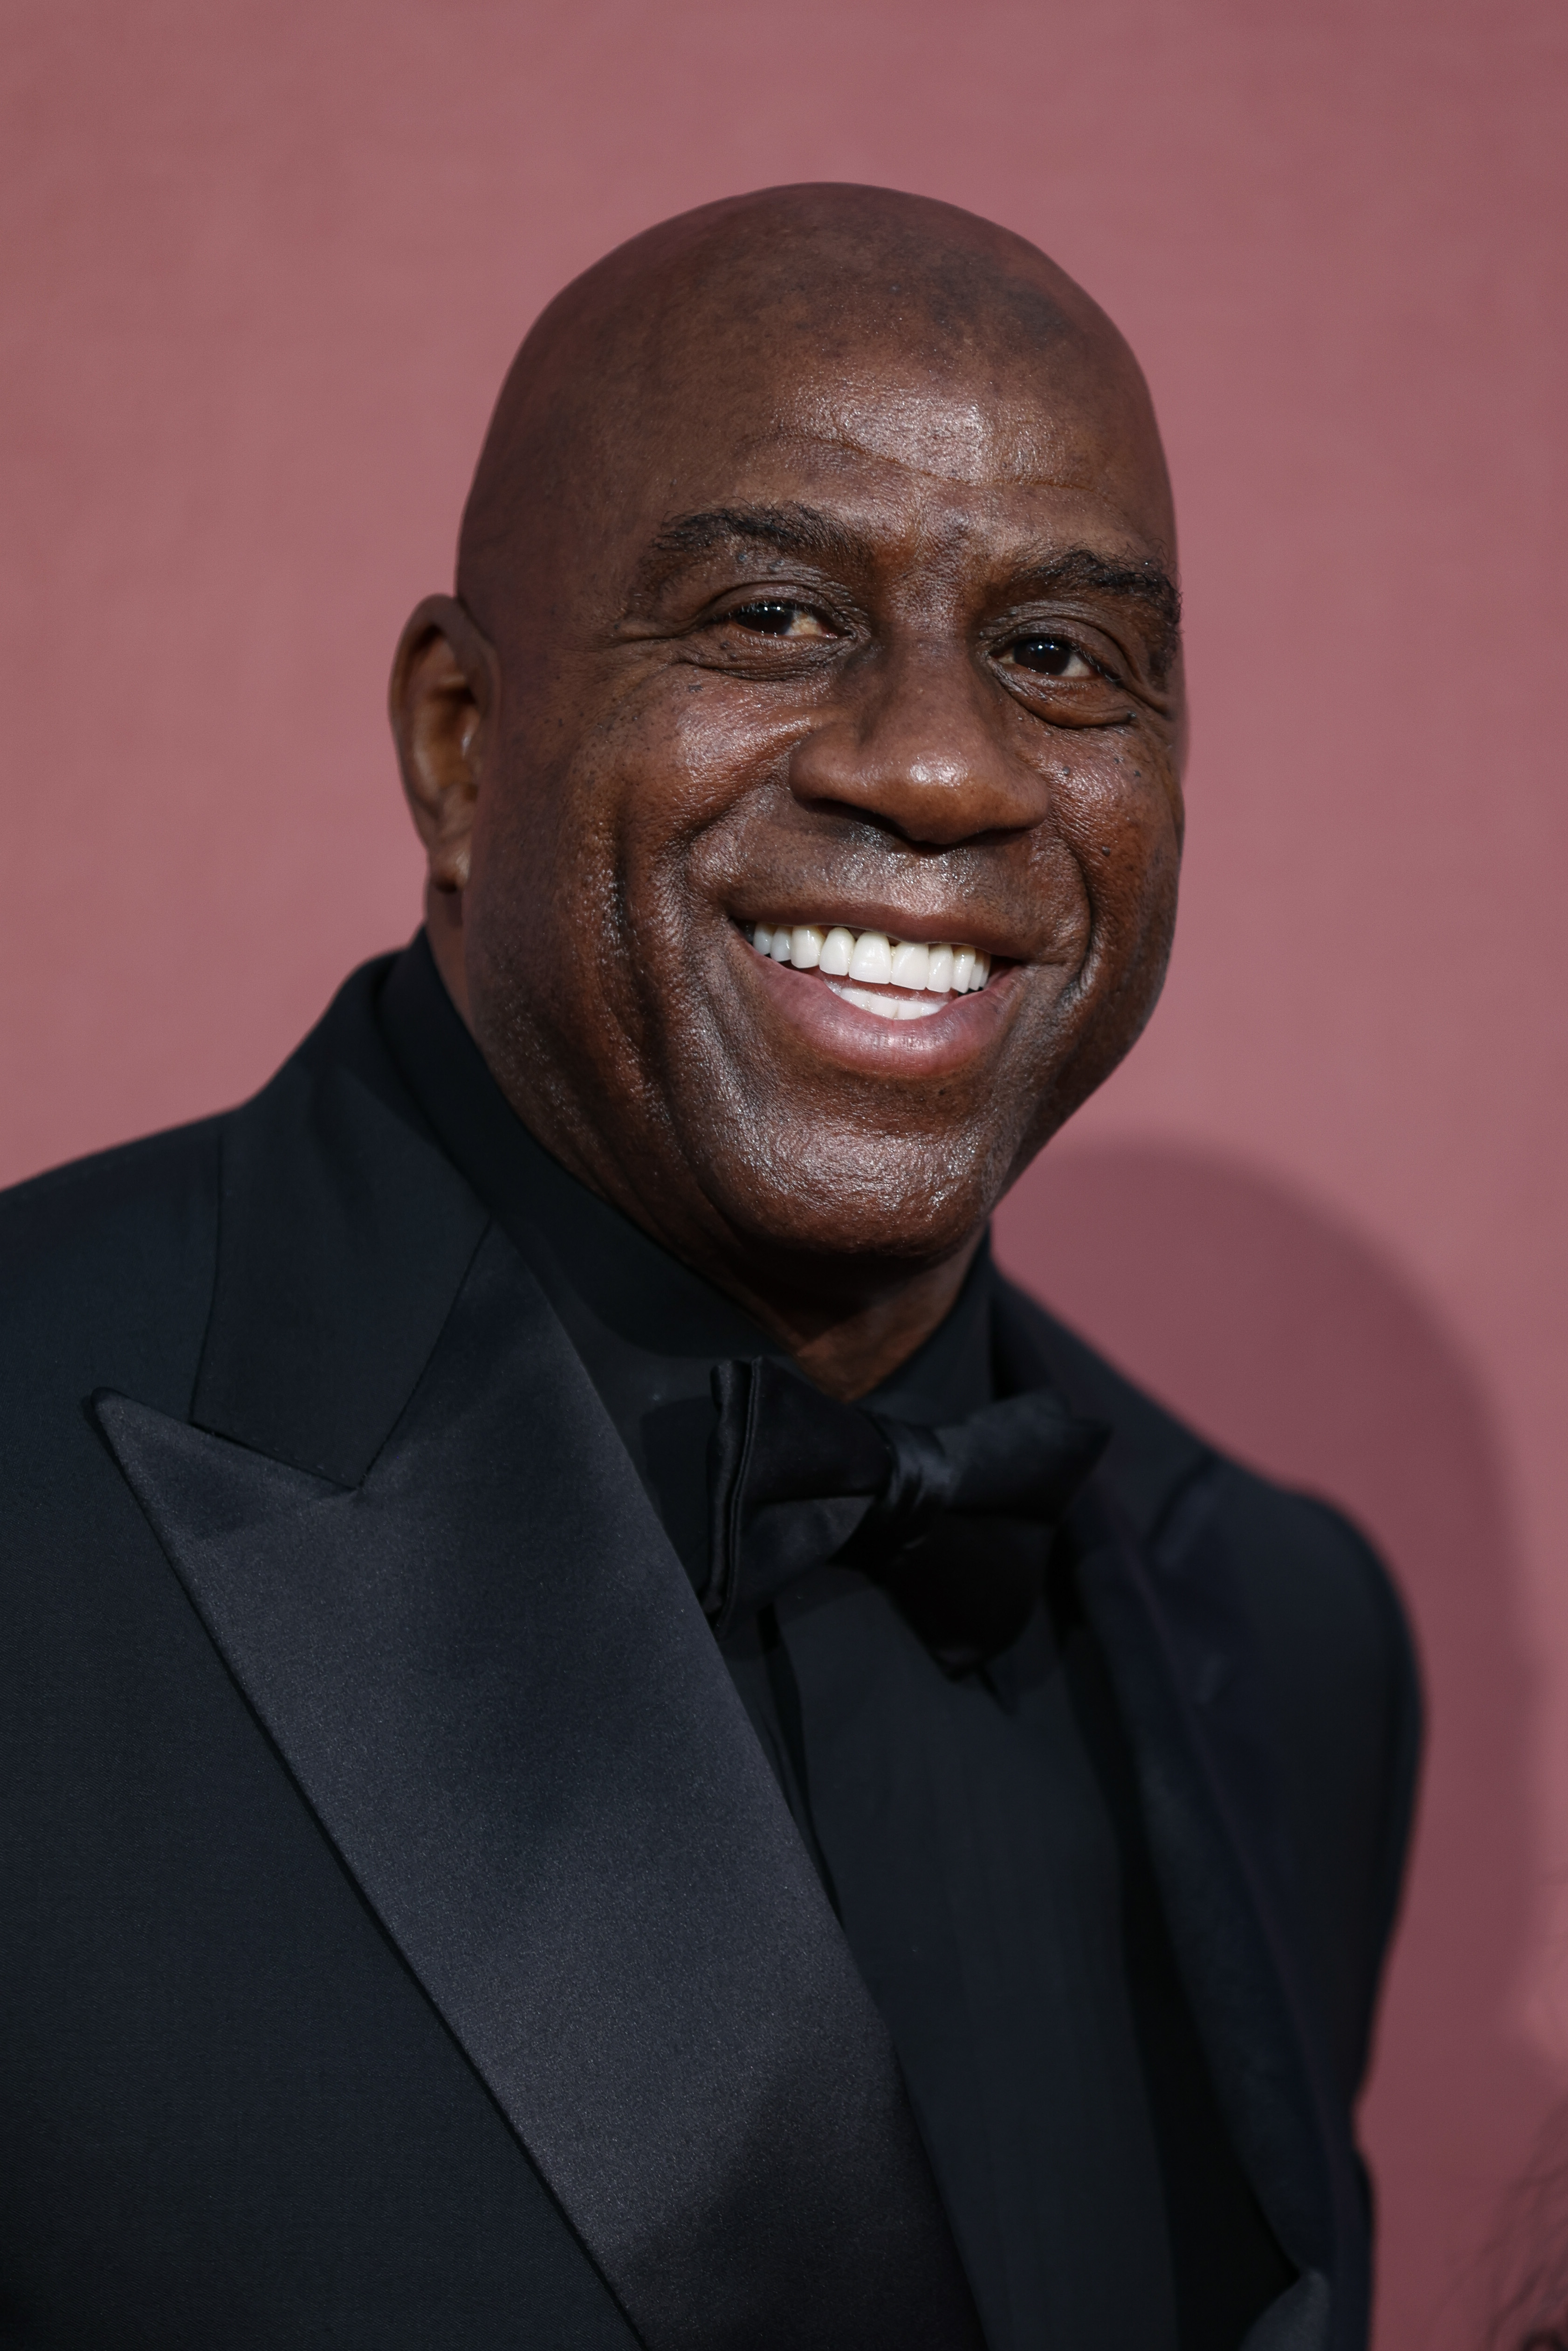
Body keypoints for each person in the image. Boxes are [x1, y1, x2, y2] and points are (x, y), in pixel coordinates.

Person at [0, 185, 1420, 2351]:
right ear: (461, 741)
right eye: (772, 617)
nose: (939, 764)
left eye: (1061, 655)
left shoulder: (1303, 1647)